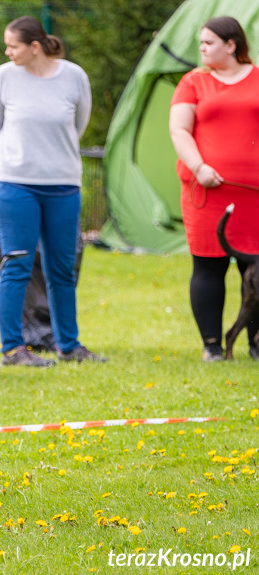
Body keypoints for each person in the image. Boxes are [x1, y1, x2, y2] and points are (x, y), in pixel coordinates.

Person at [0, 15, 104, 367]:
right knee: (17, 265)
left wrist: (52, 156)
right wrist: (23, 156)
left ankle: (69, 344)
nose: (7, 52)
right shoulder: (4, 76)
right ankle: (12, 349)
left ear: (34, 47)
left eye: (13, 46)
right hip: (15, 185)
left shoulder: (74, 76)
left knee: (62, 269)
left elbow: (78, 124)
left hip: (64, 186)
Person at [169, 16, 259, 362]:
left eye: (208, 42)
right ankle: (212, 346)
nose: (201, 49)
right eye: (200, 43)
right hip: (207, 192)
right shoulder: (193, 82)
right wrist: (199, 167)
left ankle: (255, 345)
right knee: (208, 267)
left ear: (231, 45)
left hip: (253, 196)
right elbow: (180, 130)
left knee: (254, 270)